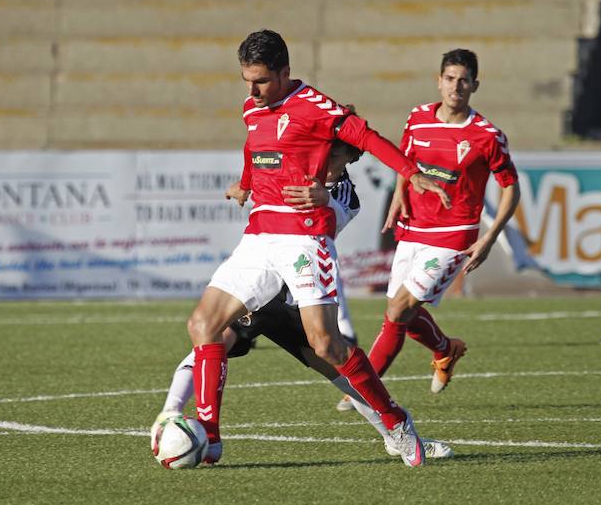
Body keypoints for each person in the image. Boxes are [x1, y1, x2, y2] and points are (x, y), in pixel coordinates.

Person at [174, 29, 451, 467]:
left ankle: (397, 424)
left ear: (285, 72)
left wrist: (411, 172)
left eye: (261, 80)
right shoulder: (252, 107)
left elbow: (366, 136)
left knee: (327, 345)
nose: (251, 90)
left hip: (304, 237)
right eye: (246, 80)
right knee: (203, 324)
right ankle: (209, 438)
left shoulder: (315, 107)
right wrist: (245, 186)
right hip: (260, 236)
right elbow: (254, 147)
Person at [152, 140, 453, 460]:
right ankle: (173, 417)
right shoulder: (299, 168)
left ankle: (395, 433)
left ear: (351, 157)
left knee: (336, 368)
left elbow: (324, 225)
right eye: (322, 151)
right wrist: (245, 185)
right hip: (258, 288)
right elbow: (262, 160)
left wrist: (319, 200)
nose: (324, 158)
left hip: (292, 298)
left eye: (334, 154)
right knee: (213, 335)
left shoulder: (346, 197)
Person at [362, 48, 520, 393]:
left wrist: (489, 238)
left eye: (464, 81)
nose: (456, 87)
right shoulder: (418, 118)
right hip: (414, 226)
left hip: (454, 235)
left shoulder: (487, 135)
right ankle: (446, 349)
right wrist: (398, 195)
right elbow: (407, 161)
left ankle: (360, 391)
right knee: (401, 312)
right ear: (439, 82)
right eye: (450, 79)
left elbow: (511, 189)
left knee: (398, 309)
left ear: (474, 85)